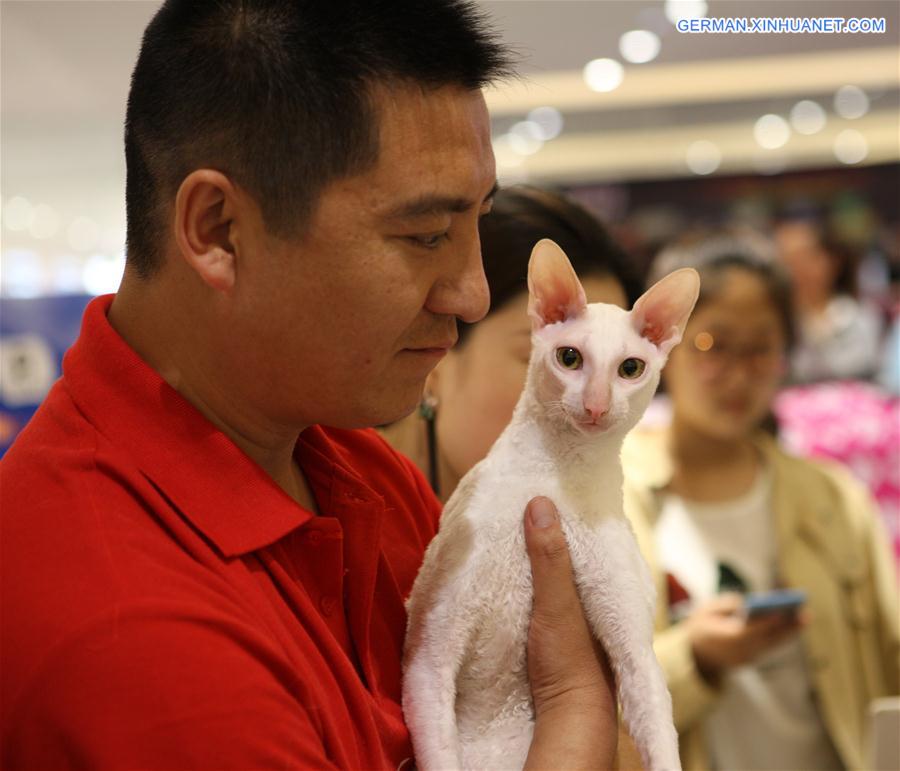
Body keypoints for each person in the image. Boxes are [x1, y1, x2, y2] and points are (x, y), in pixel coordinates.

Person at [0, 2, 619, 768]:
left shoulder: (352, 464)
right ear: (219, 228)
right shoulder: (134, 634)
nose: (469, 294)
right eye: (425, 235)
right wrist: (577, 708)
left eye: (476, 226)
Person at [620, 232, 899, 770]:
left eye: (760, 349)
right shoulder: (615, 497)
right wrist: (693, 658)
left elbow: (889, 657)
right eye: (713, 345)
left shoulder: (831, 496)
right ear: (664, 346)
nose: (739, 375)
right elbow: (585, 702)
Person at [382, 185, 642, 502]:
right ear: (437, 357)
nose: (594, 405)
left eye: (623, 368)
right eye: (567, 359)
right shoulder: (344, 519)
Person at [774, 217, 884, 384]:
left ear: (833, 260)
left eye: (806, 256)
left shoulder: (860, 316)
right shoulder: (772, 321)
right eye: (787, 259)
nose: (798, 268)